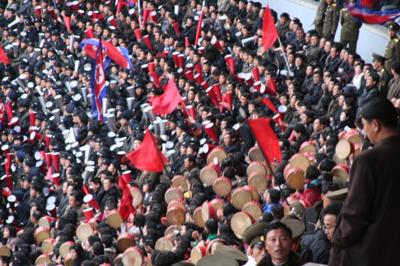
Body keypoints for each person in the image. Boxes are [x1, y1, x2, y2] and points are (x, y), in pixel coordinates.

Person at [329, 97, 400, 266]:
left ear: (375, 124)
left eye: (364, 125)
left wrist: (337, 239)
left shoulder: (368, 160)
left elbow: (355, 213)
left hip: (372, 252)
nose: (364, 132)